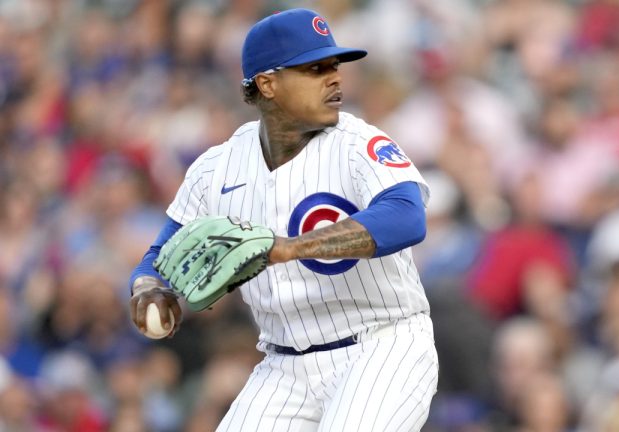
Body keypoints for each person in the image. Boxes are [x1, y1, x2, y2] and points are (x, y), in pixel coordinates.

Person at [127, 8, 438, 432]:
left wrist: (288, 248)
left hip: (382, 345)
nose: (335, 78)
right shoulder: (217, 168)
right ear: (268, 83)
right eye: (315, 69)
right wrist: (150, 290)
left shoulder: (357, 143)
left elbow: (406, 218)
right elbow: (158, 257)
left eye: (334, 66)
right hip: (284, 365)